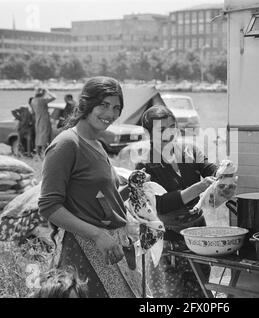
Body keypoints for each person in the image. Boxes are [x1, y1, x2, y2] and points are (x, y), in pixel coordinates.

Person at [38, 76, 142, 298]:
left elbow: (98, 197)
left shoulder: (97, 143)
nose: (110, 114)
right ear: (86, 103)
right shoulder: (66, 144)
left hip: (112, 247)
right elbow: (49, 206)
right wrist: (97, 235)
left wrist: (134, 190)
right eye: (103, 105)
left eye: (116, 108)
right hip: (86, 251)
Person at [134, 105, 218, 298]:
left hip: (195, 237)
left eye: (172, 125)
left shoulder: (190, 151)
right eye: (162, 129)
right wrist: (198, 188)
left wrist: (222, 175)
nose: (170, 132)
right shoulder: (145, 164)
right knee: (169, 295)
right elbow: (161, 204)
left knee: (202, 293)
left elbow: (210, 169)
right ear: (148, 133)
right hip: (165, 242)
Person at [30, 87, 56, 156]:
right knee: (45, 136)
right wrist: (48, 91)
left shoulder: (33, 100)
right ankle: (45, 153)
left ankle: (37, 154)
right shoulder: (42, 100)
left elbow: (33, 112)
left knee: (38, 137)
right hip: (44, 120)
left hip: (37, 120)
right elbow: (54, 97)